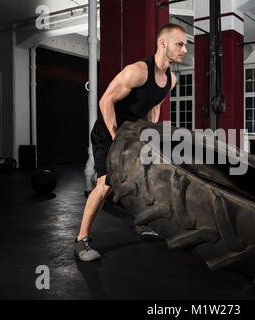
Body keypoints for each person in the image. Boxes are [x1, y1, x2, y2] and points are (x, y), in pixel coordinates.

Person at [74, 23, 188, 261]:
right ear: (163, 43)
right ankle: (81, 240)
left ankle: (143, 223)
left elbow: (154, 107)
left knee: (147, 176)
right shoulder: (137, 71)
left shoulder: (170, 79)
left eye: (185, 45)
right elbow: (105, 101)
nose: (184, 50)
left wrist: (151, 138)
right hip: (108, 132)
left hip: (133, 133)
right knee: (105, 184)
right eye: (180, 44)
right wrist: (117, 138)